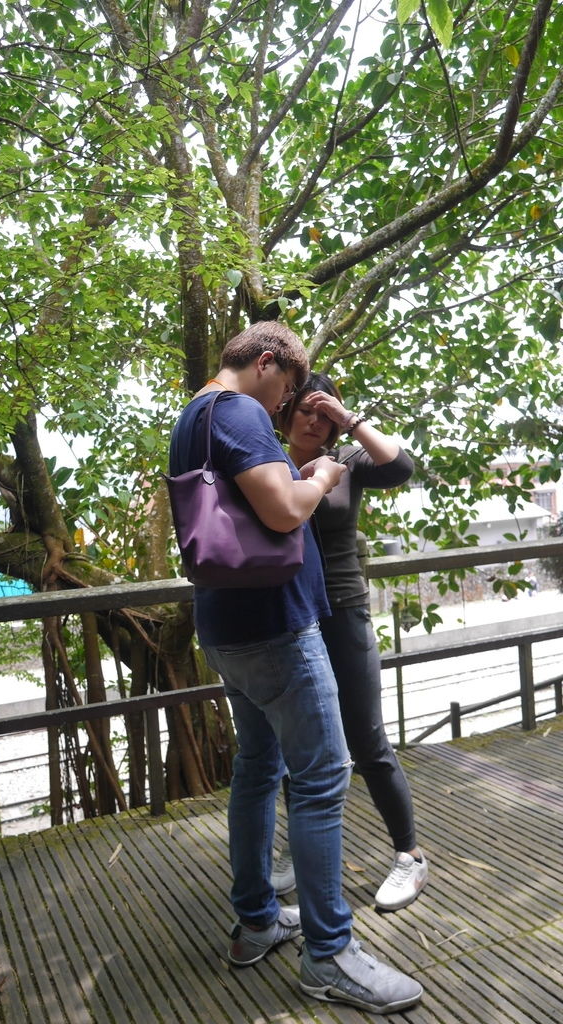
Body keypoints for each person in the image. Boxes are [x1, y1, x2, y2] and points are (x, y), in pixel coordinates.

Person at [169, 323, 423, 1013]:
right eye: (287, 390)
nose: (285, 404)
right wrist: (322, 478)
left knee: (257, 769)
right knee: (320, 779)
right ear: (268, 363)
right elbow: (284, 513)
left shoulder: (193, 414)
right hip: (276, 627)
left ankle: (257, 920)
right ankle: (329, 953)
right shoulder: (241, 412)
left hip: (225, 624)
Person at [272, 372, 428, 912]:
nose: (316, 422)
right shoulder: (267, 465)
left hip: (343, 612)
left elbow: (401, 467)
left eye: (326, 415)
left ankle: (410, 854)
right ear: (285, 412)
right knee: (297, 745)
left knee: (366, 739)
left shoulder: (347, 464)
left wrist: (350, 420)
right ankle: (300, 849)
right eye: (306, 410)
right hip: (291, 616)